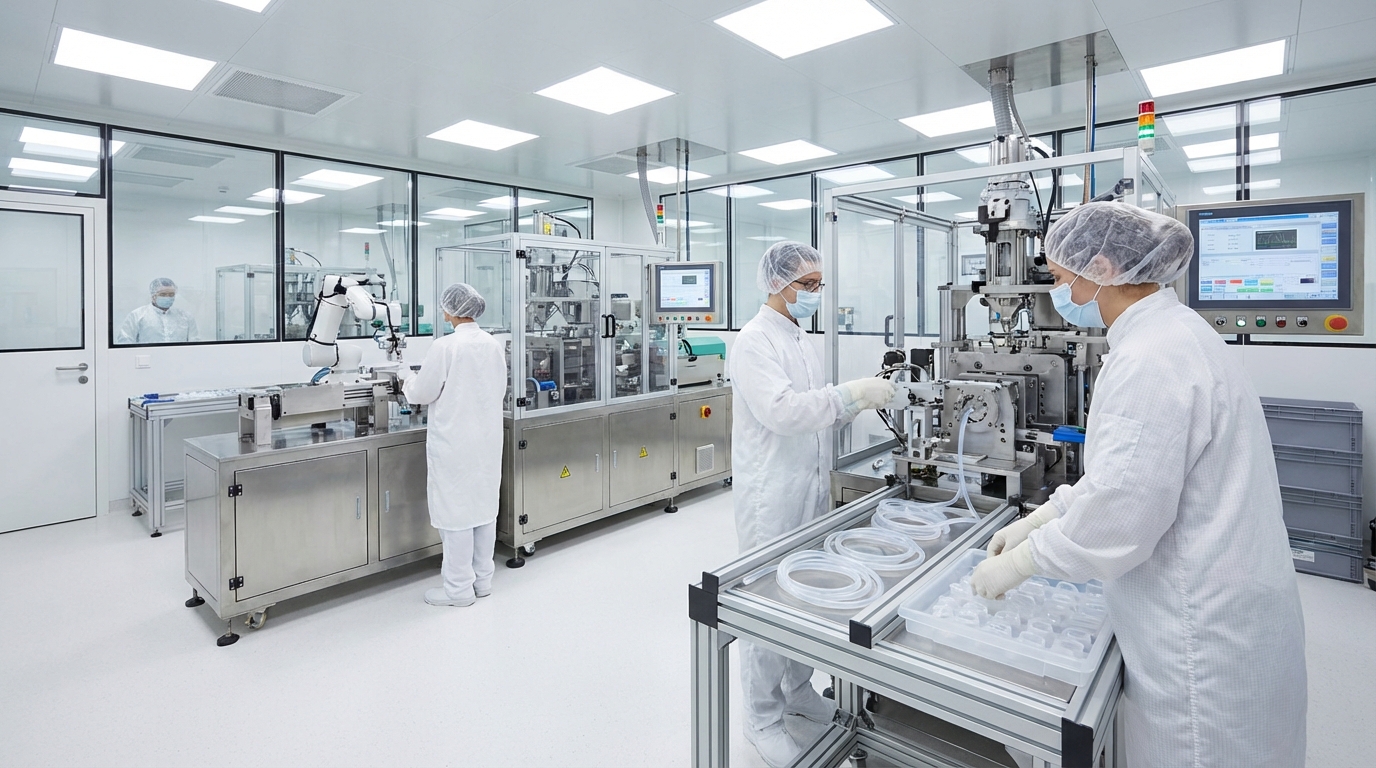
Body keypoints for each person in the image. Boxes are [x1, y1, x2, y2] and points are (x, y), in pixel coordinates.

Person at [970, 202, 1307, 767]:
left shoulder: (1150, 358)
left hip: (1200, 631)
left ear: (1100, 268)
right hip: (1226, 593)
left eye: (1058, 278)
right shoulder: (1176, 332)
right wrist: (1043, 517)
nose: (1059, 294)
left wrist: (1021, 563)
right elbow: (1125, 474)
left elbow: (1121, 511)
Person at [730, 241, 896, 766]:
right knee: (767, 604)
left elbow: (816, 405)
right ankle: (761, 717)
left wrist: (858, 402)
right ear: (778, 284)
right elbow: (782, 412)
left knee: (803, 595)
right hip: (771, 493)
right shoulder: (753, 341)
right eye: (808, 284)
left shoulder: (802, 338)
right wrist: (847, 396)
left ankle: (799, 692)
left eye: (819, 283)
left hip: (809, 486)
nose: (816, 293)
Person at [399, 283, 507, 607]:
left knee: (457, 512)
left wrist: (405, 378)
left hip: (455, 442)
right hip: (487, 439)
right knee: (484, 507)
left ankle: (458, 590)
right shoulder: (493, 344)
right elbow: (498, 387)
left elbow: (422, 393)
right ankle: (483, 581)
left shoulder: (444, 347)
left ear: (450, 311)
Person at [115, 278, 198, 344]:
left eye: (171, 295)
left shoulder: (185, 317)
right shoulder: (137, 315)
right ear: (153, 295)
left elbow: (195, 342)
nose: (168, 297)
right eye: (163, 294)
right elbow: (125, 341)